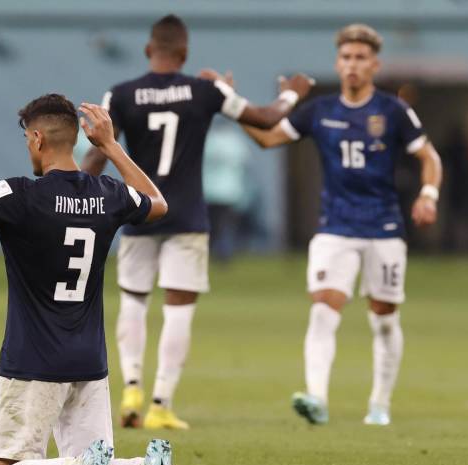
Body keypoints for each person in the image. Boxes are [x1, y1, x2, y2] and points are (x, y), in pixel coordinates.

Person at [0, 95, 174, 465]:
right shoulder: (109, 193)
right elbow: (158, 203)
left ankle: (79, 462)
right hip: (89, 361)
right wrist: (109, 145)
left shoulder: (20, 195)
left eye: (27, 139)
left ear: (38, 138)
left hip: (32, 361)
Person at [81, 14, 313, 429]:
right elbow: (264, 118)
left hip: (138, 211)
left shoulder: (119, 94)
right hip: (186, 215)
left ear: (149, 50)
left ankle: (130, 389)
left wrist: (77, 192)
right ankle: (160, 404)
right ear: (185, 54)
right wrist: (292, 95)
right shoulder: (205, 90)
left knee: (134, 301)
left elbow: (97, 155)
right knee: (178, 311)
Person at [234, 24, 442, 426]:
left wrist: (428, 195)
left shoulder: (393, 111)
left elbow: (429, 157)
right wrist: (232, 106)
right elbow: (268, 138)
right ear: (337, 62)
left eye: (361, 58)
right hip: (335, 228)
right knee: (324, 310)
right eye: (346, 57)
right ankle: (317, 398)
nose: (352, 65)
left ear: (374, 65)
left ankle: (379, 404)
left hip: (383, 228)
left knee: (384, 318)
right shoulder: (320, 111)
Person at [202, 123, 255, 260]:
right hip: (230, 191)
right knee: (226, 225)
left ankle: (214, 252)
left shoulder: (209, 140)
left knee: (212, 225)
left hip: (210, 191)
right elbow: (246, 163)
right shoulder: (235, 142)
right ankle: (224, 252)